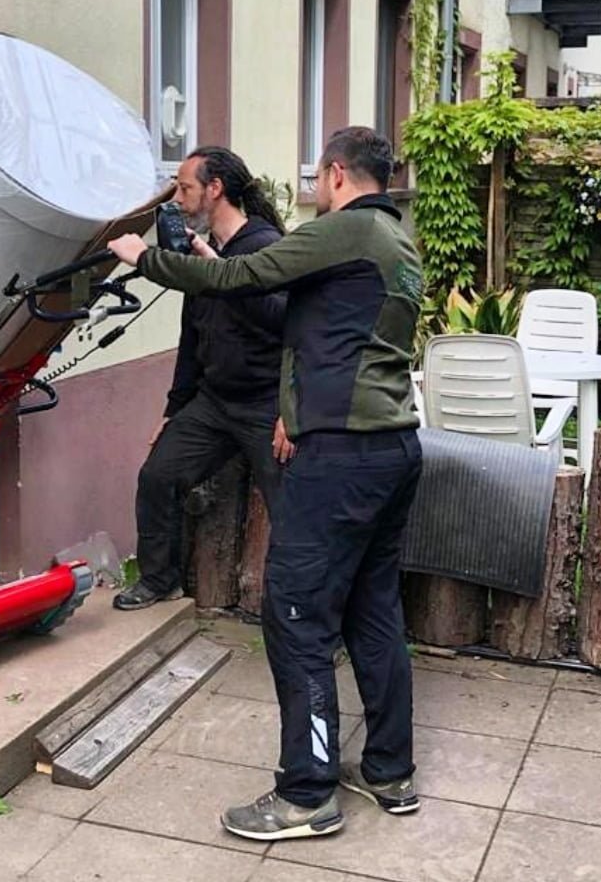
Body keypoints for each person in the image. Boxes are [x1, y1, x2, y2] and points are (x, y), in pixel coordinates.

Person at [108, 126, 423, 839]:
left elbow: (237, 279)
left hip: (341, 456)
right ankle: (388, 770)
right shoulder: (397, 242)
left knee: (296, 615)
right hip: (391, 446)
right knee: (372, 611)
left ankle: (307, 793)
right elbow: (319, 330)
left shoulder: (347, 231)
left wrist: (145, 257)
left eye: (318, 176)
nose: (314, 188)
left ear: (338, 175)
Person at [112, 145, 294, 612]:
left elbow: (285, 324)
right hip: (214, 404)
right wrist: (173, 412)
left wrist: (293, 411)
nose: (178, 195)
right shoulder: (203, 255)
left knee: (293, 510)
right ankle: (159, 580)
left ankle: (306, 612)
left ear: (216, 189)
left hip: (265, 403)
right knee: (158, 476)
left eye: (187, 186)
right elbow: (192, 343)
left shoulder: (265, 246)